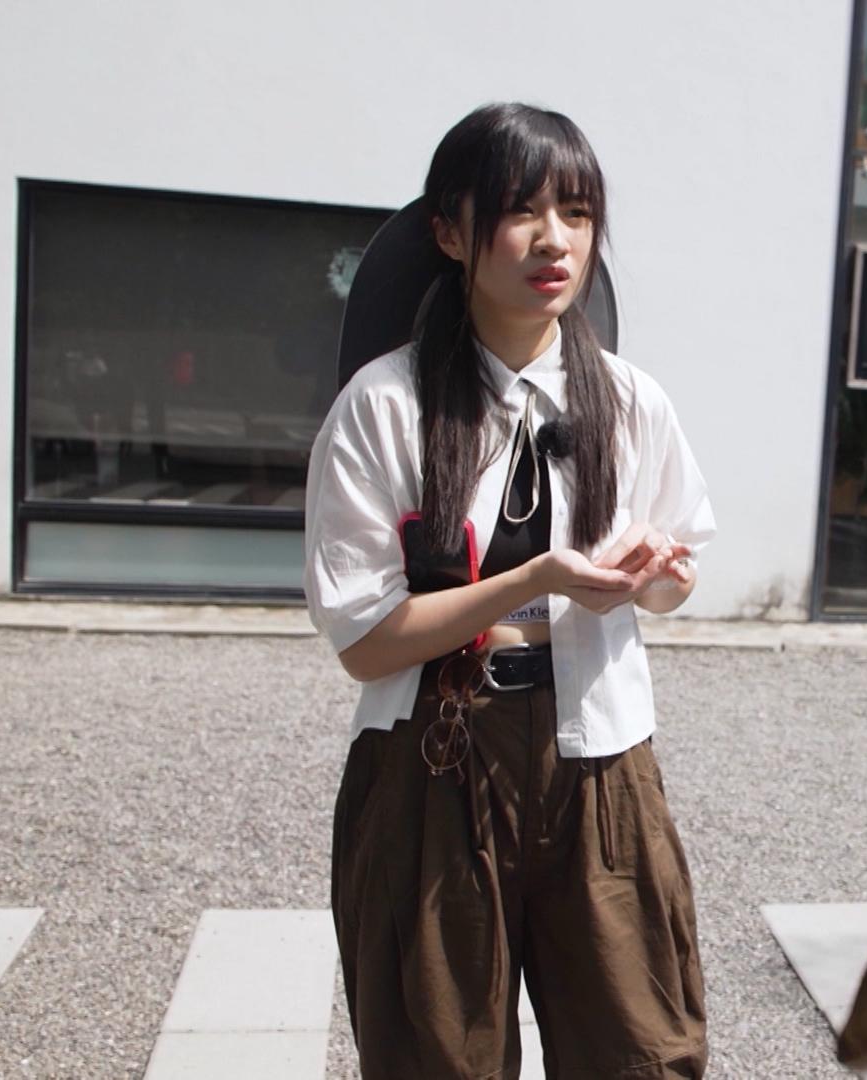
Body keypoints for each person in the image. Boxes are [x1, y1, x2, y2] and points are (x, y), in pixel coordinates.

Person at [304, 102, 714, 1079]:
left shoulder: (630, 401)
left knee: (641, 1051)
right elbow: (366, 643)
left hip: (602, 767)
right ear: (450, 231)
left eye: (576, 212)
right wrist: (530, 581)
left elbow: (671, 579)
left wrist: (659, 580)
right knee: (436, 1056)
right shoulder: (385, 409)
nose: (554, 239)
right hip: (430, 769)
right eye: (521, 210)